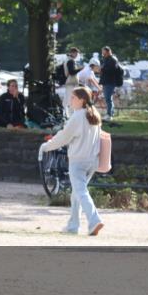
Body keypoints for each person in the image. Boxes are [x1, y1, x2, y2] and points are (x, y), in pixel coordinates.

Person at [39, 87, 105, 235]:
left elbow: (64, 136)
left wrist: (47, 146)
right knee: (76, 193)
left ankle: (94, 220)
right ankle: (73, 226)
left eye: (73, 97)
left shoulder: (78, 116)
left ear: (82, 100)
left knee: (80, 192)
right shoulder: (94, 114)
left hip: (78, 161)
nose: (71, 100)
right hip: (92, 161)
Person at [98, 46, 124, 120]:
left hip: (110, 82)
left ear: (108, 52)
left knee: (108, 98)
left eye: (104, 52)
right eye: (102, 52)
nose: (103, 53)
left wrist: (102, 69)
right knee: (108, 98)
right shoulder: (106, 59)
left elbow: (111, 71)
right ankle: (110, 113)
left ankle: (109, 115)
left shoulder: (112, 60)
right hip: (106, 81)